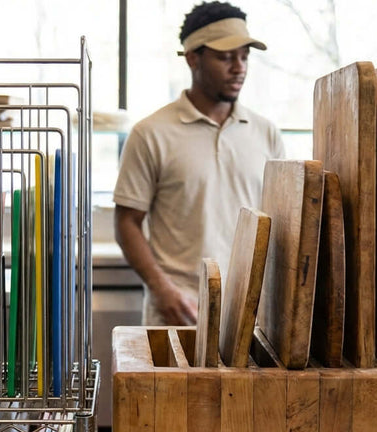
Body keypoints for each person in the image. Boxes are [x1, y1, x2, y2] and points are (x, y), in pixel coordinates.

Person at [113, 1, 285, 325]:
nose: (239, 68)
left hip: (251, 317)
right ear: (193, 58)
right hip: (178, 314)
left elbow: (280, 223)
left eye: (244, 56)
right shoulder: (150, 133)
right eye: (226, 57)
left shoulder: (267, 134)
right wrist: (161, 289)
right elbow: (126, 222)